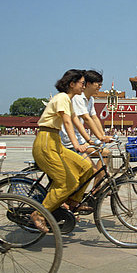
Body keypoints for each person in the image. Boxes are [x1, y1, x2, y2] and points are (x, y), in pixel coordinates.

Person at [30, 70, 94, 232]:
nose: (83, 86)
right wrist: (76, 144)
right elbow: (66, 121)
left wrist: (90, 140)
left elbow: (76, 121)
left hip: (55, 143)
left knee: (86, 168)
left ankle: (72, 203)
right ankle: (39, 214)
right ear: (71, 84)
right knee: (67, 182)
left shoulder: (69, 100)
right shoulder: (62, 98)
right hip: (46, 142)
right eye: (81, 83)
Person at [60, 70, 112, 187]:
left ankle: (95, 190)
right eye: (98, 84)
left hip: (80, 140)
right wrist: (100, 137)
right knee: (91, 170)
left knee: (106, 153)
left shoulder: (91, 99)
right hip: (70, 141)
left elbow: (94, 118)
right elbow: (86, 119)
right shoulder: (78, 98)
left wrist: (103, 135)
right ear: (88, 84)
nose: (99, 87)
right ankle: (78, 199)